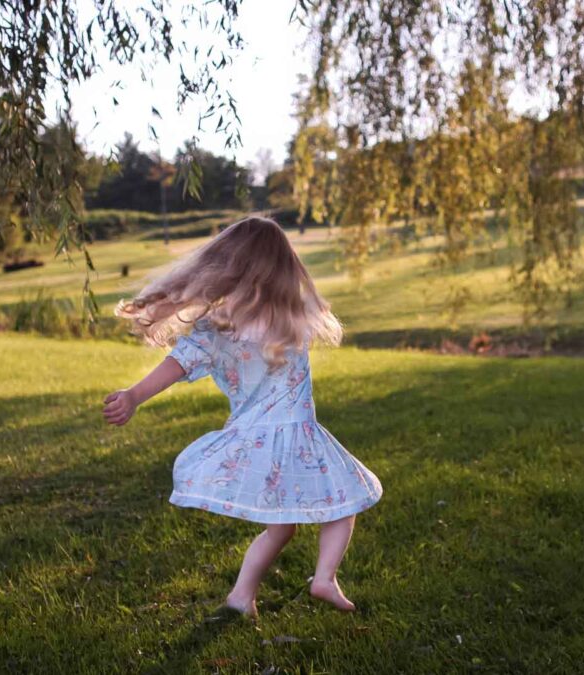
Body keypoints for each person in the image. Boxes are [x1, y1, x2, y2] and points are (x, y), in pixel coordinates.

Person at [103, 216, 383, 617]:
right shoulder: (295, 318)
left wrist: (134, 396)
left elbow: (177, 364)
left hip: (253, 439)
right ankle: (324, 578)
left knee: (281, 527)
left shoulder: (218, 328)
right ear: (284, 268)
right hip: (300, 436)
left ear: (224, 269)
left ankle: (241, 596)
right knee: (345, 501)